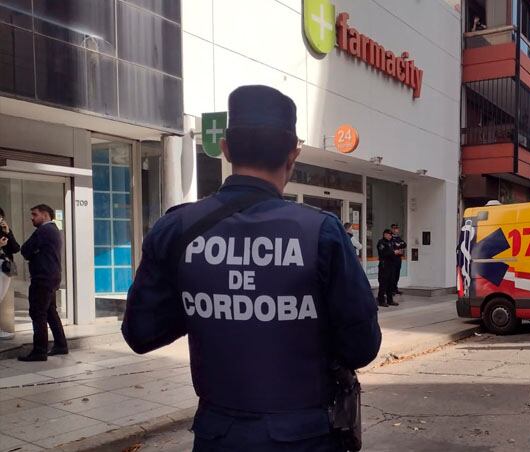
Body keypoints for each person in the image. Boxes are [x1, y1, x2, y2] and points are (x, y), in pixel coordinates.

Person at [122, 85, 382, 451]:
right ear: (293, 154)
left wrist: (212, 300)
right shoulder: (320, 233)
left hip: (218, 437)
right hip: (306, 437)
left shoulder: (177, 228)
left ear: (225, 149)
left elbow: (141, 333)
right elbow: (362, 347)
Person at [18, 204, 68, 361]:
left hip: (43, 278)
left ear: (45, 215)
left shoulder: (44, 230)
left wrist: (32, 252)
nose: (31, 217)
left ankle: (39, 351)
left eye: (34, 214)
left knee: (38, 313)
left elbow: (25, 249)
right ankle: (61, 345)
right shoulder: (53, 230)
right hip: (50, 277)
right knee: (50, 312)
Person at [0, 207, 21, 340]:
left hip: (5, 269)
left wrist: (8, 232)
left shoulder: (3, 231)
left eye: (1, 217)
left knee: (0, 298)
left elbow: (15, 248)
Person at [376, 229, 399, 307]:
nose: (390, 236)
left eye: (391, 235)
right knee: (383, 283)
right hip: (384, 265)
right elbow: (383, 253)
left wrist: (397, 252)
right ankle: (381, 300)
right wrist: (393, 252)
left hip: (391, 265)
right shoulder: (381, 243)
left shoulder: (391, 242)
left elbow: (397, 247)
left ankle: (390, 300)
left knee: (390, 283)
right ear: (385, 234)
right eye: (389, 235)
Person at [390, 223, 406, 295]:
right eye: (394, 228)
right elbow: (392, 246)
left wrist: (399, 245)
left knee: (397, 274)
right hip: (393, 259)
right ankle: (391, 289)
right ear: (391, 229)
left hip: (398, 258)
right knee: (392, 275)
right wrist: (398, 246)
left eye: (396, 228)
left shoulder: (398, 238)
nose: (395, 229)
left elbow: (404, 244)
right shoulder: (390, 238)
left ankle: (395, 288)